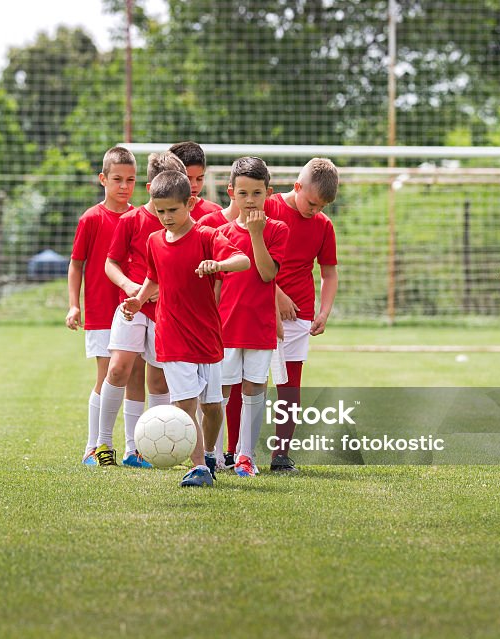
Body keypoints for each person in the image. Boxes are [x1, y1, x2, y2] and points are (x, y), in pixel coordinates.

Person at [122, 170, 250, 487]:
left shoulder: (206, 236)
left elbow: (243, 260)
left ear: (190, 203)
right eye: (160, 210)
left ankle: (208, 454)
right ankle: (198, 468)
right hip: (171, 335)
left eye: (172, 210)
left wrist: (218, 264)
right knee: (184, 404)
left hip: (206, 335)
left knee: (211, 406)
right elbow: (154, 277)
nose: (165, 217)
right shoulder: (154, 241)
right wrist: (139, 299)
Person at [97, 152, 188, 467]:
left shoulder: (181, 223)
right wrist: (129, 287)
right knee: (119, 368)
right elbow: (110, 263)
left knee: (159, 382)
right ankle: (103, 445)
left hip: (165, 312)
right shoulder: (131, 220)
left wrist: (161, 290)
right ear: (152, 187)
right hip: (132, 308)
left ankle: (142, 450)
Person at [265, 158, 340, 473]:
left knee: (290, 387)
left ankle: (280, 456)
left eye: (322, 206)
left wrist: (324, 310)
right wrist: (276, 294)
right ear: (297, 187)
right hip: (257, 308)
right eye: (311, 203)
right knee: (245, 383)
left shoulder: (323, 225)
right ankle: (232, 453)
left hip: (298, 316)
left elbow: (329, 272)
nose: (316, 210)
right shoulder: (268, 207)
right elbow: (249, 253)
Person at [216, 158, 288, 477]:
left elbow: (266, 273)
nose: (249, 200)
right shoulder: (219, 233)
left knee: (254, 388)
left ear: (268, 193)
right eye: (242, 193)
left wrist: (257, 235)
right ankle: (214, 454)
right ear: (231, 192)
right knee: (220, 392)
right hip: (225, 327)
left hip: (259, 327)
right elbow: (216, 286)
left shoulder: (278, 230)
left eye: (256, 193)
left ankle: (246, 456)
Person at [66, 147, 137, 466]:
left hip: (133, 310)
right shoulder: (91, 219)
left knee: (133, 376)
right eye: (117, 179)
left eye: (131, 180)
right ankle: (93, 447)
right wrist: (73, 305)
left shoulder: (141, 217)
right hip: (99, 310)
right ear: (103, 180)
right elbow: (76, 264)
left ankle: (134, 449)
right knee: (106, 375)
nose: (124, 186)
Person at [169, 141, 223, 222]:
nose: (194, 185)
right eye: (188, 179)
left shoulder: (215, 212)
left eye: (199, 179)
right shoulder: (161, 211)